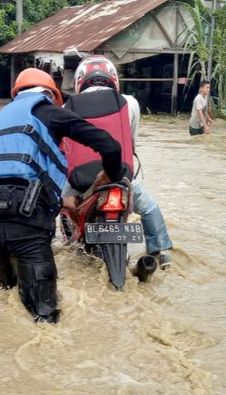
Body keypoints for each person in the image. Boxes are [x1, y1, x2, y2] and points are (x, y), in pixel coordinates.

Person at [0, 68, 123, 323]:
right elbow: (110, 145)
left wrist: (60, 200)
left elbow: (3, 173)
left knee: (8, 293)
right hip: (21, 213)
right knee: (43, 315)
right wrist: (111, 175)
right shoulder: (48, 111)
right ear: (51, 94)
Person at [59, 55, 174, 267]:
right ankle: (162, 252)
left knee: (63, 205)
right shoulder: (129, 102)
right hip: (118, 176)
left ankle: (71, 244)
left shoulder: (68, 106)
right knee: (149, 207)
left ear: (80, 81)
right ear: (112, 78)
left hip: (81, 182)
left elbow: (67, 149)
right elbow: (131, 142)